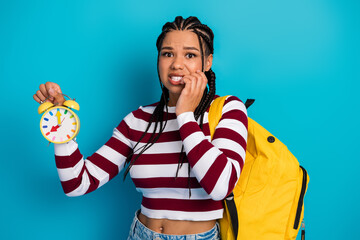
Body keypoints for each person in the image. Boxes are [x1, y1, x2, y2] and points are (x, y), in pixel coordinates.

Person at [33, 16, 248, 240]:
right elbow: (77, 183)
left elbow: (221, 186)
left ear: (207, 62)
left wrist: (184, 114)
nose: (176, 64)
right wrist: (61, 120)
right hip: (141, 234)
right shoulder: (138, 120)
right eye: (167, 53)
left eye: (190, 55)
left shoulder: (228, 109)